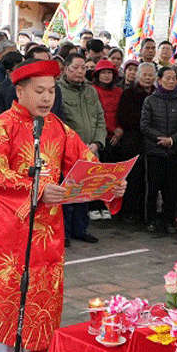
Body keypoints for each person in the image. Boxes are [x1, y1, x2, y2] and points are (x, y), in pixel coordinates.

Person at [0, 59, 109, 352]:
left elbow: (84, 165)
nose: (47, 97)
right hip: (13, 231)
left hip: (49, 233)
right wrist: (37, 189)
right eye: (39, 91)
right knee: (7, 303)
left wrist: (109, 182)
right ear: (19, 92)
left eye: (51, 90)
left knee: (42, 304)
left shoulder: (58, 129)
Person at [59, 53, 107, 244]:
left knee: (85, 193)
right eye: (75, 68)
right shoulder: (58, 90)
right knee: (66, 194)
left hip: (90, 150)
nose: (80, 72)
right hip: (68, 151)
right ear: (66, 69)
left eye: (83, 68)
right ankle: (64, 232)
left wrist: (97, 143)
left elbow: (100, 119)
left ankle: (81, 229)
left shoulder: (91, 91)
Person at [140, 65, 177, 233]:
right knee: (152, 187)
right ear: (159, 80)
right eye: (167, 78)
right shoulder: (150, 100)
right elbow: (145, 125)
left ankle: (169, 220)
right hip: (154, 151)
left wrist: (171, 140)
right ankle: (151, 220)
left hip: (174, 151)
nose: (171, 81)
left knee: (171, 188)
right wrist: (159, 139)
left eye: (174, 78)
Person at [115, 62, 156, 224]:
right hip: (133, 141)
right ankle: (128, 211)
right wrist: (146, 123)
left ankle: (144, 213)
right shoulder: (129, 94)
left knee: (149, 178)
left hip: (152, 141)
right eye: (144, 74)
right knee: (132, 178)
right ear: (138, 76)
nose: (147, 77)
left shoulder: (157, 94)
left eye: (150, 75)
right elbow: (124, 117)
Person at [92, 60, 123, 162]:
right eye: (103, 72)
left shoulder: (119, 91)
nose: (106, 76)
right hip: (99, 136)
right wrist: (113, 129)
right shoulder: (93, 90)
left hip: (118, 136)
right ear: (98, 75)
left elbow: (123, 112)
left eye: (109, 72)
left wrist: (119, 129)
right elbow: (96, 114)